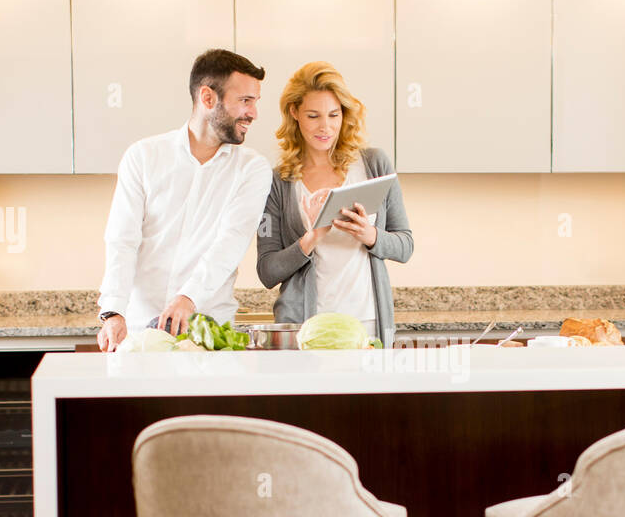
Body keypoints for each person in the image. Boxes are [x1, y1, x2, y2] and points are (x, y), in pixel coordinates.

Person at [97, 49, 273, 351]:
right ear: (207, 98)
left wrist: (188, 298)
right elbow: (122, 240)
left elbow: (231, 241)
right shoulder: (143, 157)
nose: (253, 113)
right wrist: (113, 310)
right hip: (141, 332)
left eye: (255, 102)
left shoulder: (252, 169)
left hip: (210, 334)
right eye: (245, 101)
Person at [256, 61, 413, 347]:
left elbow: (405, 246)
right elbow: (267, 271)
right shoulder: (279, 181)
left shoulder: (374, 164)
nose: (325, 127)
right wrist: (311, 237)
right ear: (295, 113)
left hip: (368, 322)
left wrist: (370, 235)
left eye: (334, 114)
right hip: (306, 328)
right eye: (313, 116)